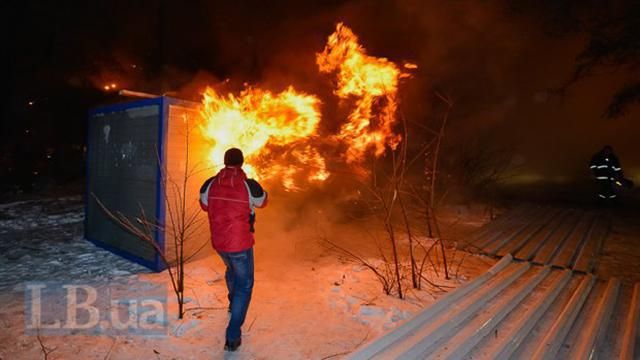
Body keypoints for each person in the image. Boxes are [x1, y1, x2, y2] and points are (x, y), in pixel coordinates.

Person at [199, 148, 268, 352]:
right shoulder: (248, 185)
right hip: (241, 245)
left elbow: (204, 205)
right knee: (245, 286)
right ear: (241, 163)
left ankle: (232, 301)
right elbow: (263, 201)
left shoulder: (210, 183)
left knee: (231, 270)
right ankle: (233, 336)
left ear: (224, 161)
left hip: (220, 244)